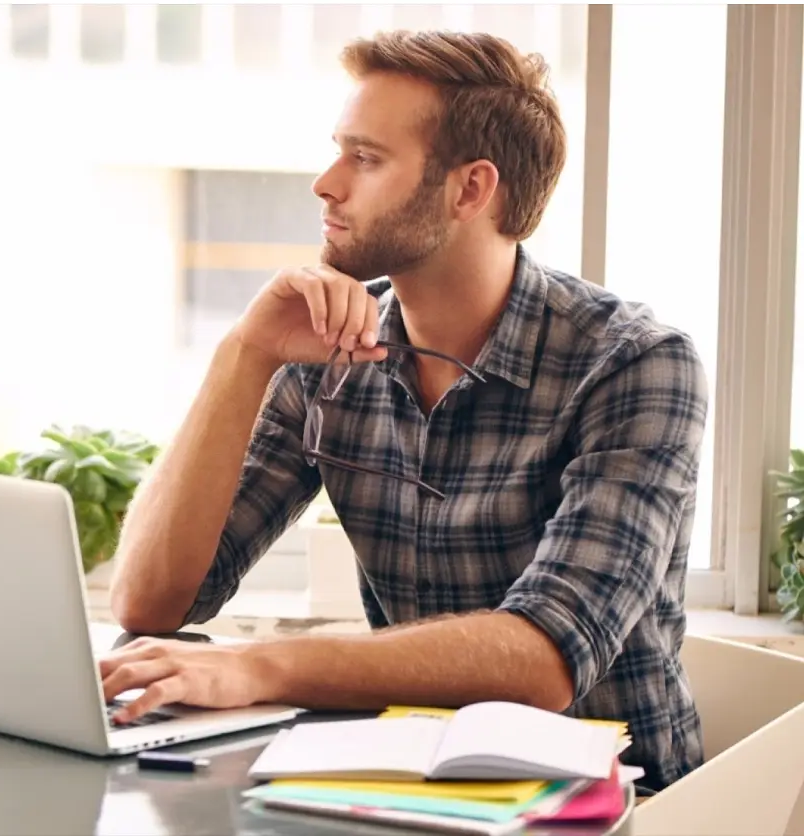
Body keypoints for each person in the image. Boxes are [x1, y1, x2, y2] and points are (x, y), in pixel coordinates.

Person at [102, 29, 707, 793]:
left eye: (365, 158)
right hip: (410, 783)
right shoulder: (327, 350)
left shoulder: (635, 363)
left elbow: (547, 657)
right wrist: (245, 353)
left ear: (470, 190)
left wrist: (258, 666)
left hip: (616, 799)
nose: (326, 184)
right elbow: (154, 601)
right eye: (338, 152)